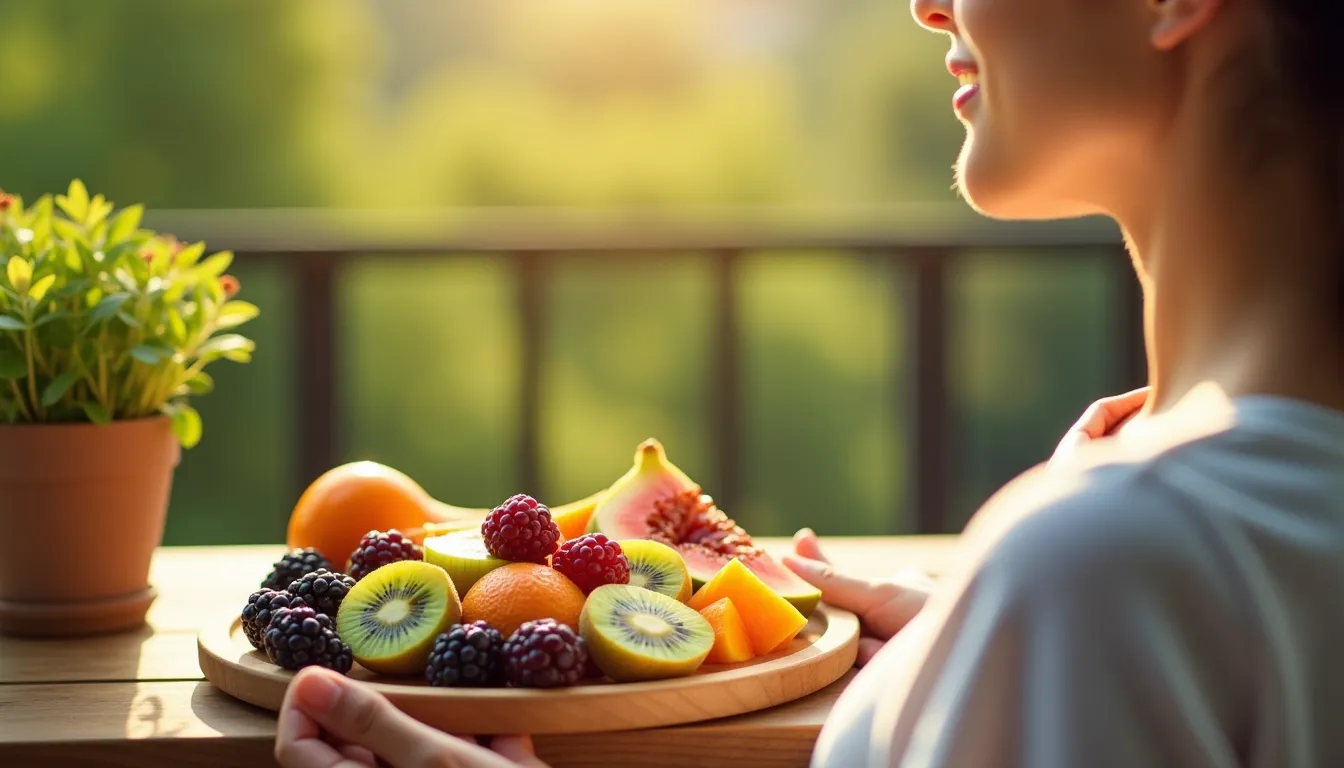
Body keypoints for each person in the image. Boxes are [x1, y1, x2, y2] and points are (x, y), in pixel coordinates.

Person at [275, 0, 1344, 762]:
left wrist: (1049, 614)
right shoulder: (1150, 547)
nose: (929, 8)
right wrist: (980, 647)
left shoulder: (1114, 561)